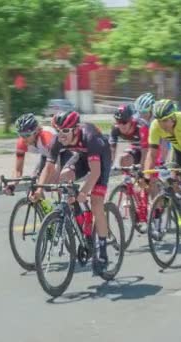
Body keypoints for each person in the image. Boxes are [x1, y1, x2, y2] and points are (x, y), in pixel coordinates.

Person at [31, 110, 112, 273]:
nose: (62, 135)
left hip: (101, 159)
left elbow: (95, 172)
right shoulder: (58, 140)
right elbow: (49, 167)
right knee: (63, 177)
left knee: (96, 204)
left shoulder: (89, 137)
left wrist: (84, 192)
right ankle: (76, 214)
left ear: (76, 129)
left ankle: (102, 251)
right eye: (59, 130)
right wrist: (39, 189)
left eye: (66, 131)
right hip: (82, 157)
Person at [143, 99, 181, 240]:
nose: (162, 124)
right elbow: (151, 154)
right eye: (159, 120)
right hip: (178, 150)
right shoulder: (155, 126)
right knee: (172, 179)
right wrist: (146, 176)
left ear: (173, 117)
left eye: (165, 120)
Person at [3, 113, 58, 213]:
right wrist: (12, 185)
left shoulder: (46, 137)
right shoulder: (22, 142)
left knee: (54, 182)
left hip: (61, 155)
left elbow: (50, 167)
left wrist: (41, 187)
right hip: (46, 156)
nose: (24, 139)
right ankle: (48, 216)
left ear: (36, 131)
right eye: (21, 135)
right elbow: (18, 169)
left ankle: (65, 210)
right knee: (34, 184)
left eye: (27, 135)